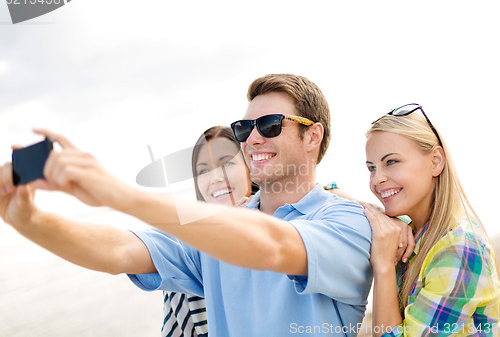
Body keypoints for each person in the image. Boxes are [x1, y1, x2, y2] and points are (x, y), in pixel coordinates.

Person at [0, 74, 385, 336]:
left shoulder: (347, 220)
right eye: (243, 128)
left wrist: (117, 192)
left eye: (269, 124)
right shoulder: (214, 234)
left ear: (312, 135)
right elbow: (117, 250)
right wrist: (30, 221)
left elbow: (274, 247)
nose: (252, 139)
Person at [363, 104, 500, 336]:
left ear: (435, 161)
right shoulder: (417, 230)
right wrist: (376, 212)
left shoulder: (459, 248)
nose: (378, 179)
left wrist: (384, 265)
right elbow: (329, 193)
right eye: (371, 168)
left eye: (392, 162)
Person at [162, 125, 255, 337]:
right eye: (203, 170)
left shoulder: (289, 226)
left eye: (227, 163)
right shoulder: (189, 256)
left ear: (250, 167)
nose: (215, 178)